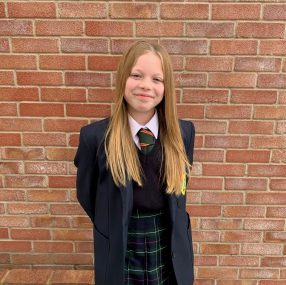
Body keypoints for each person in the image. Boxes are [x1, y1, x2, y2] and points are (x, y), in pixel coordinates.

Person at [74, 41, 195, 285]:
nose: (145, 86)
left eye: (157, 79)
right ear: (123, 79)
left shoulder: (183, 133)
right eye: (136, 75)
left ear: (166, 86)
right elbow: (87, 195)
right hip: (121, 245)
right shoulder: (95, 138)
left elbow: (181, 186)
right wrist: (111, 220)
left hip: (168, 240)